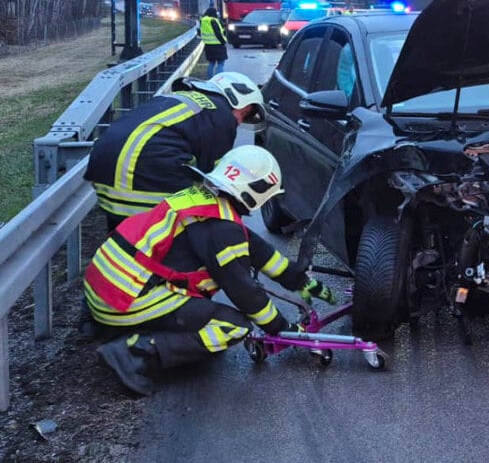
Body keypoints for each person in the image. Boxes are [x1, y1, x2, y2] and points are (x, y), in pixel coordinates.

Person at [86, 145, 336, 396]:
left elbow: (254, 248)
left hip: (104, 288)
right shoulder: (222, 229)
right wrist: (282, 329)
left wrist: (296, 278)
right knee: (233, 326)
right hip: (125, 299)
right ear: (255, 192)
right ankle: (132, 353)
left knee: (200, 313)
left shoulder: (203, 199)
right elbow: (245, 293)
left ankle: (111, 328)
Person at [84, 71, 266, 231]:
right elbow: (214, 179)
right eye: (243, 114)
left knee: (123, 236)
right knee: (199, 214)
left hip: (103, 171)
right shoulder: (222, 116)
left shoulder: (176, 98)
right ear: (233, 97)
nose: (240, 122)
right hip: (143, 175)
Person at [199, 7, 228, 77]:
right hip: (218, 45)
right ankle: (218, 78)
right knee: (221, 63)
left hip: (208, 45)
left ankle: (210, 78)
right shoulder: (213, 20)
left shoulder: (202, 20)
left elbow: (200, 32)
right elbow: (218, 33)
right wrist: (223, 41)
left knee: (211, 63)